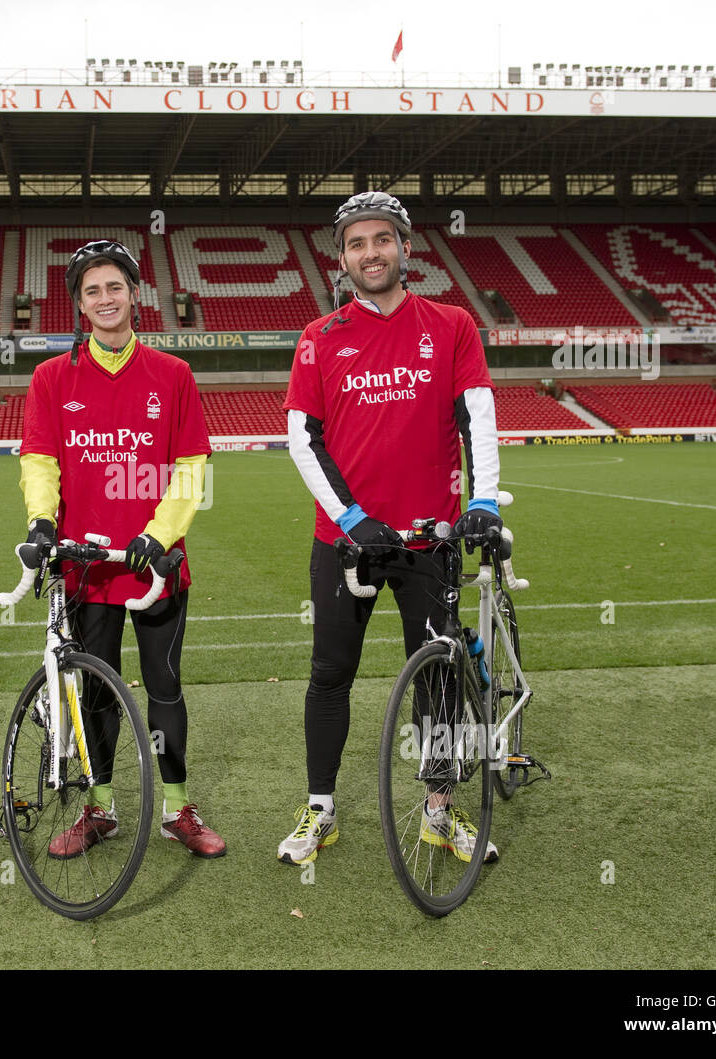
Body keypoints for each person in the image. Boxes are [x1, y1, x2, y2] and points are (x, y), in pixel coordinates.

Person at [277, 192, 503, 866]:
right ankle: (320, 809)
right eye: (355, 243)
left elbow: (478, 415)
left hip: (429, 539)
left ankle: (438, 809)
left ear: (406, 247)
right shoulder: (320, 336)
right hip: (347, 542)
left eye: (382, 239)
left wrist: (484, 500)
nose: (369, 253)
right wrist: (353, 518)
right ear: (341, 258)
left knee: (436, 675)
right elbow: (301, 439)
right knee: (330, 673)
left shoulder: (453, 324)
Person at [17, 239, 225, 858]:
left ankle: (177, 809)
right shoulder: (53, 377)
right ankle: (98, 808)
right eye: (91, 291)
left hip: (155, 567)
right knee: (95, 691)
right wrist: (42, 522)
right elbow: (39, 459)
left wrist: (157, 535)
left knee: (164, 688)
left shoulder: (172, 374)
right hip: (87, 568)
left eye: (114, 287)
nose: (105, 300)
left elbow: (191, 465)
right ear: (79, 305)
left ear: (135, 295)